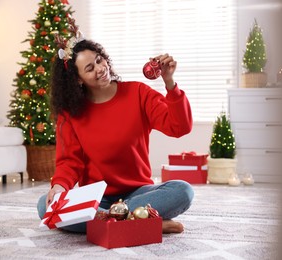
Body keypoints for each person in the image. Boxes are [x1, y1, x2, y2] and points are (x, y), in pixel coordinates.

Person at [37, 24, 194, 234]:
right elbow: (69, 162)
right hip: (95, 196)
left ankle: (112, 221)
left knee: (183, 191)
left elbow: (179, 127)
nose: (100, 69)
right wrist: (60, 187)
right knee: (43, 206)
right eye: (90, 69)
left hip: (139, 193)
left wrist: (169, 83)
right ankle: (143, 221)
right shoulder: (70, 113)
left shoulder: (138, 93)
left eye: (99, 60)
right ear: (77, 79)